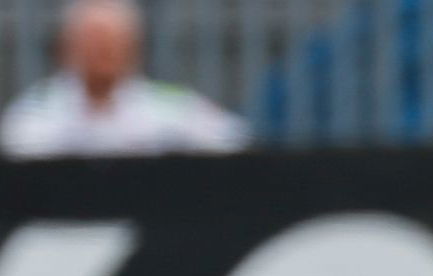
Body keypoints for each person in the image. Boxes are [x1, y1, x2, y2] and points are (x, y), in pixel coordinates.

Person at [1, 0, 248, 158]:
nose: (101, 52)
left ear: (133, 47)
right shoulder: (39, 107)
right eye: (92, 41)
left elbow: (234, 139)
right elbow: (18, 148)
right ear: (67, 47)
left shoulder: (167, 104)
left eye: (111, 43)